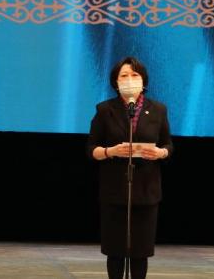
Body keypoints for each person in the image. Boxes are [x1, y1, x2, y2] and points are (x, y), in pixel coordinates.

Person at [87, 56, 173, 279]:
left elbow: (168, 144)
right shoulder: (105, 110)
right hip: (115, 190)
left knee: (140, 252)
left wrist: (161, 153)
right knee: (115, 251)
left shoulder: (158, 110)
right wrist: (110, 151)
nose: (130, 79)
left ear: (143, 80)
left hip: (146, 190)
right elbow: (91, 148)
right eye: (124, 76)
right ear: (116, 82)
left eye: (135, 75)